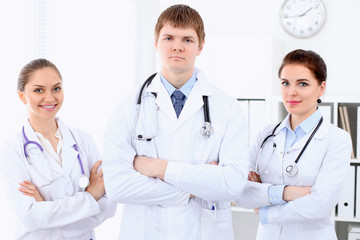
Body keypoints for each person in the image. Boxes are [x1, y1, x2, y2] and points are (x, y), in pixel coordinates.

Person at [102, 4, 249, 240]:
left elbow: (233, 184)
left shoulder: (228, 107)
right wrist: (194, 189)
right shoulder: (128, 107)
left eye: (187, 39)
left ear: (201, 45)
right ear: (156, 42)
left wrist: (157, 168)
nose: (177, 46)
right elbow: (118, 186)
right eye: (169, 37)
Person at [236, 49, 352, 239]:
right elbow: (241, 192)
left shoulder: (337, 139)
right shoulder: (266, 135)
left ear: (321, 88)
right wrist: (287, 192)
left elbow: (320, 205)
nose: (291, 92)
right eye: (285, 83)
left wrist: (265, 209)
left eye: (303, 84)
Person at [0, 58, 116, 240]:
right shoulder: (12, 151)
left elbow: (108, 205)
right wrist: (90, 196)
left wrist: (47, 213)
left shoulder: (83, 140)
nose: (50, 98)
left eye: (56, 88)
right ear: (22, 96)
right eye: (39, 90)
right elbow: (30, 218)